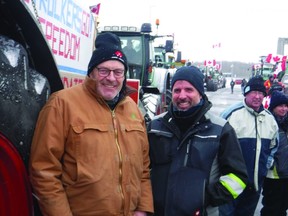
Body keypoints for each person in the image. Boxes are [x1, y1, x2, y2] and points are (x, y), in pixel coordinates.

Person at [29, 32, 154, 216]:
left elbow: (143, 168)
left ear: (124, 75)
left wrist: (143, 208)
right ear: (92, 72)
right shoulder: (62, 104)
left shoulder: (133, 110)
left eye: (118, 72)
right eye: (104, 70)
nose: (111, 78)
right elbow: (44, 171)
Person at [147, 66, 248, 216]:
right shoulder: (154, 127)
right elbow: (141, 170)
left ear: (200, 93)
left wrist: (204, 197)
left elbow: (238, 177)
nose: (182, 96)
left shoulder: (220, 130)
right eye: (177, 90)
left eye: (189, 90)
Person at [219, 76, 279, 216]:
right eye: (254, 92)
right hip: (230, 185)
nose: (257, 96)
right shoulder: (231, 114)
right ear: (246, 93)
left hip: (254, 186)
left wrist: (266, 165)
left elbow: (273, 146)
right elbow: (216, 144)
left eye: (261, 93)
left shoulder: (270, 119)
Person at [261, 91, 288, 216]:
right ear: (273, 107)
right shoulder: (268, 123)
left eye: (286, 106)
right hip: (273, 175)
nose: (284, 109)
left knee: (283, 207)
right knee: (271, 207)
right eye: (280, 106)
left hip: (286, 174)